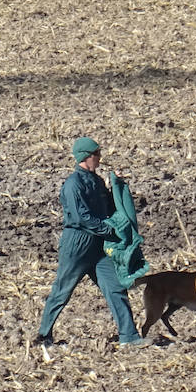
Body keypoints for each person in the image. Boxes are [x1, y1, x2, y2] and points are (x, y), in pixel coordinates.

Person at [35, 137, 145, 347]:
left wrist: (118, 186)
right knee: (62, 290)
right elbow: (81, 217)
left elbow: (108, 207)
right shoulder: (72, 185)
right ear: (86, 157)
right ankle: (44, 335)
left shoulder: (96, 181)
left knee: (115, 287)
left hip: (98, 247)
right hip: (77, 246)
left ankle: (129, 336)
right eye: (97, 154)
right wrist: (108, 230)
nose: (100, 158)